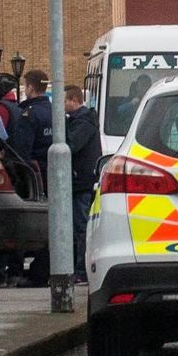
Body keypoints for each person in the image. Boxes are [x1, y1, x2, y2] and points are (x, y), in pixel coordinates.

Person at [65, 85, 100, 283]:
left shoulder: (83, 122)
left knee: (81, 226)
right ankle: (79, 269)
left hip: (82, 182)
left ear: (73, 100)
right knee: (79, 225)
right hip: (81, 180)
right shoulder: (81, 120)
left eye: (64, 101)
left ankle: (81, 271)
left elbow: (72, 145)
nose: (62, 105)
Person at [7, 69, 52, 185]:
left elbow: (22, 148)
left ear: (30, 88)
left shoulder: (29, 114)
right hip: (54, 170)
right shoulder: (56, 111)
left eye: (25, 86)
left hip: (35, 174)